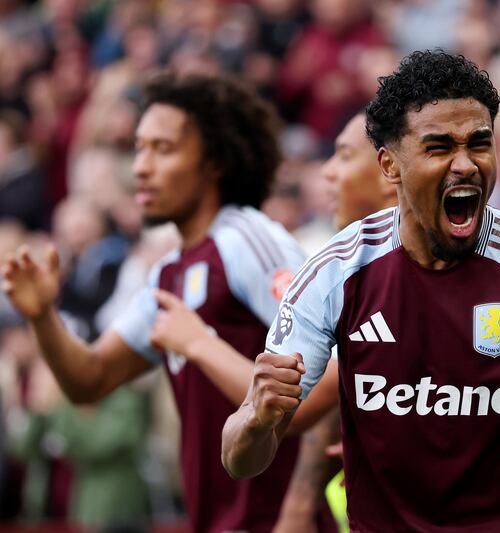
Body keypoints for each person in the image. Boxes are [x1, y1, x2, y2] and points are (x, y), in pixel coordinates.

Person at [222, 51, 500, 532]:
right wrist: (258, 419)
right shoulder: (336, 272)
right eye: (439, 148)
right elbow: (239, 458)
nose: (466, 165)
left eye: (479, 143)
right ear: (390, 166)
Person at [1, 72, 309, 532]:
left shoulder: (247, 238)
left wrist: (200, 344)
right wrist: (42, 316)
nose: (140, 167)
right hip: (214, 519)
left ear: (214, 162)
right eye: (140, 148)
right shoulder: (169, 273)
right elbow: (91, 379)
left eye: (162, 149)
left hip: (273, 519)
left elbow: (328, 389)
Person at [273, 111, 397, 532]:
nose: (326, 173)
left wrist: (195, 340)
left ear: (389, 170)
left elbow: (288, 406)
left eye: (343, 156)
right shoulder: (343, 270)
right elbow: (328, 381)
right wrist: (301, 500)